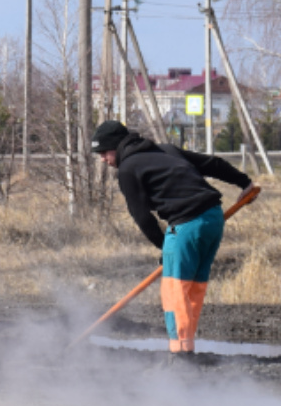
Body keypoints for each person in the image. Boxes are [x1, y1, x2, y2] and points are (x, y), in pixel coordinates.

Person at [92, 119, 251, 359]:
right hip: (213, 218)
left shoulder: (128, 170)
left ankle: (181, 357)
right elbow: (212, 164)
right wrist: (244, 182)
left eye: (104, 152)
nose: (103, 158)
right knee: (193, 289)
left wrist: (164, 246)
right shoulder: (166, 150)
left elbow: (142, 217)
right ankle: (188, 350)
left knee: (175, 291)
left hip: (186, 225)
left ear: (116, 146)